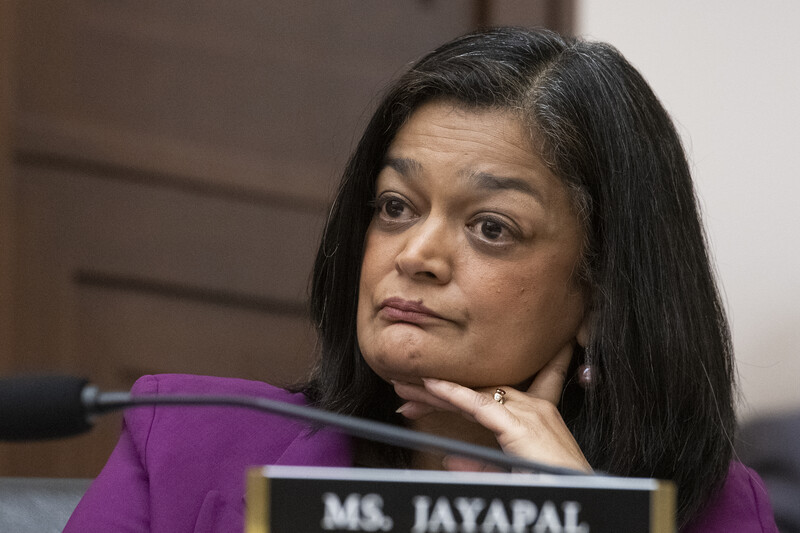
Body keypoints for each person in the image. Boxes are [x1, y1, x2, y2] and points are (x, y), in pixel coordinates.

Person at [65, 27, 778, 532]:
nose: (416, 253)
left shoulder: (715, 512)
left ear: (602, 291)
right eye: (396, 207)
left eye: (491, 227)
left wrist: (582, 517)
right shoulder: (188, 444)